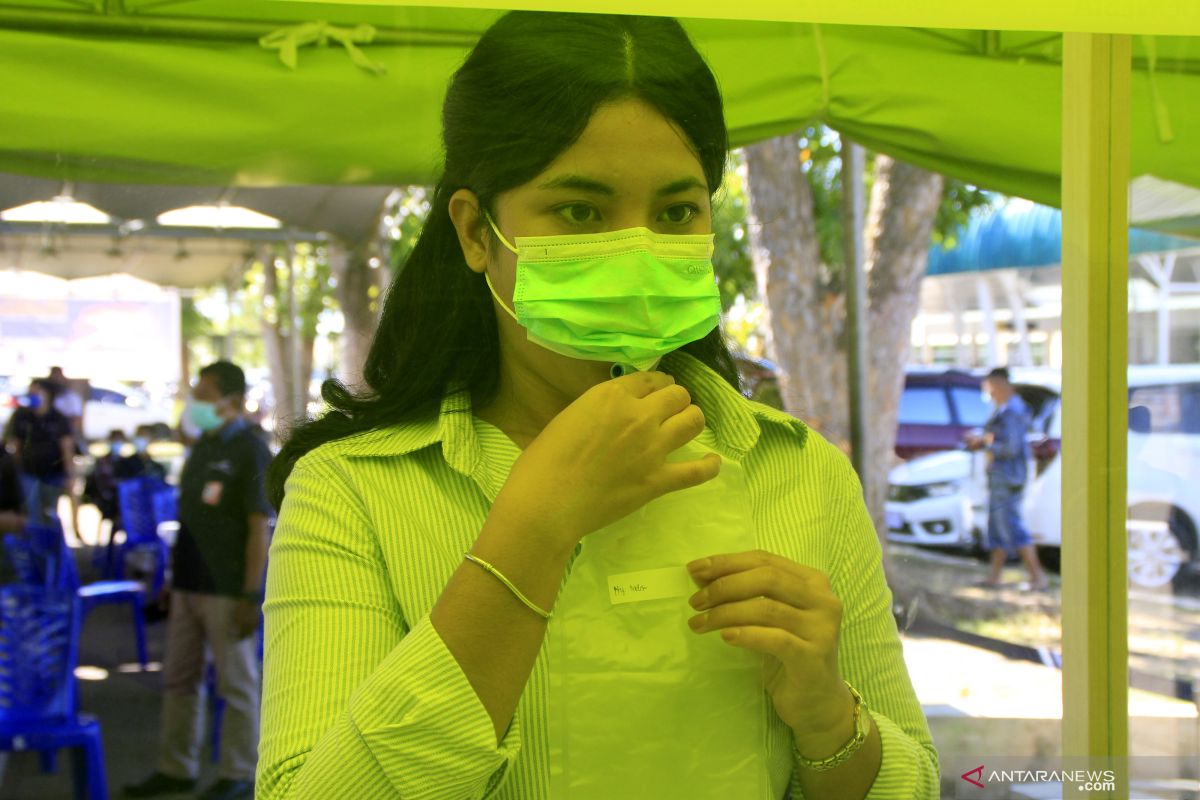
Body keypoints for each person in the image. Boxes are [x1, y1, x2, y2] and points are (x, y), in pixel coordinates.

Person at [257, 12, 938, 800]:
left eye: (678, 211)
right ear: (478, 231)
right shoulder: (354, 492)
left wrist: (828, 718)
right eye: (582, 211)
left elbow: (912, 782)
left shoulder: (802, 474)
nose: (638, 250)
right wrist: (533, 530)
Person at [124, 361, 272, 800]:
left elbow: (256, 529)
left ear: (232, 400)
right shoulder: (203, 447)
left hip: (228, 588)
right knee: (180, 679)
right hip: (188, 583)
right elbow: (188, 521)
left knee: (237, 684)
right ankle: (177, 767)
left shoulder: (251, 450)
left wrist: (250, 594)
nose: (197, 403)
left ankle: (240, 772)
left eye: (204, 394)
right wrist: (171, 579)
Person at [965, 367, 1049, 591]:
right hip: (1006, 475)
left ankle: (1037, 577)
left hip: (1007, 476)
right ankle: (995, 576)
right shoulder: (1006, 410)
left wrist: (983, 443)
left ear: (998, 384)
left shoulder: (1012, 412)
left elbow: (1009, 447)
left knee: (1011, 525)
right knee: (999, 525)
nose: (988, 392)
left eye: (989, 386)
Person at [5, 378, 75, 528]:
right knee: (30, 511)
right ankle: (33, 545)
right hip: (27, 471)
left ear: (47, 394)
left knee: (49, 512)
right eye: (31, 392)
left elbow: (67, 448)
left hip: (52, 473)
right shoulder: (21, 416)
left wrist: (69, 474)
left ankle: (49, 546)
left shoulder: (58, 418)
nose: (33, 395)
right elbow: (14, 444)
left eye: (37, 392)